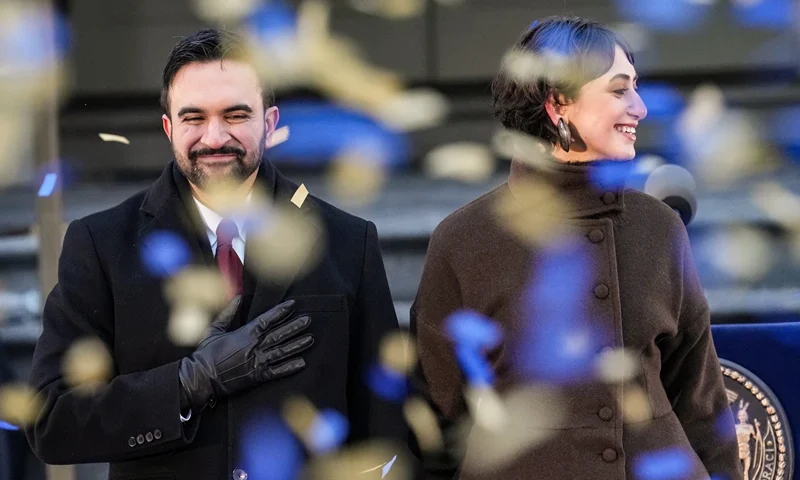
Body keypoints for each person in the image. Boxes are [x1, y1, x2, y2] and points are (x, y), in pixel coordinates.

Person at [25, 28, 408, 480]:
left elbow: (386, 428)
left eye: (235, 114)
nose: (214, 137)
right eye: (193, 118)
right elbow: (52, 421)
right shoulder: (101, 243)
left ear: (269, 123)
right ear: (169, 128)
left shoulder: (349, 240)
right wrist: (189, 382)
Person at [410, 16, 742, 480]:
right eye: (619, 90)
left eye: (636, 88)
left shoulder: (659, 227)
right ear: (558, 104)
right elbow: (437, 418)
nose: (640, 108)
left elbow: (701, 402)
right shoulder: (463, 240)